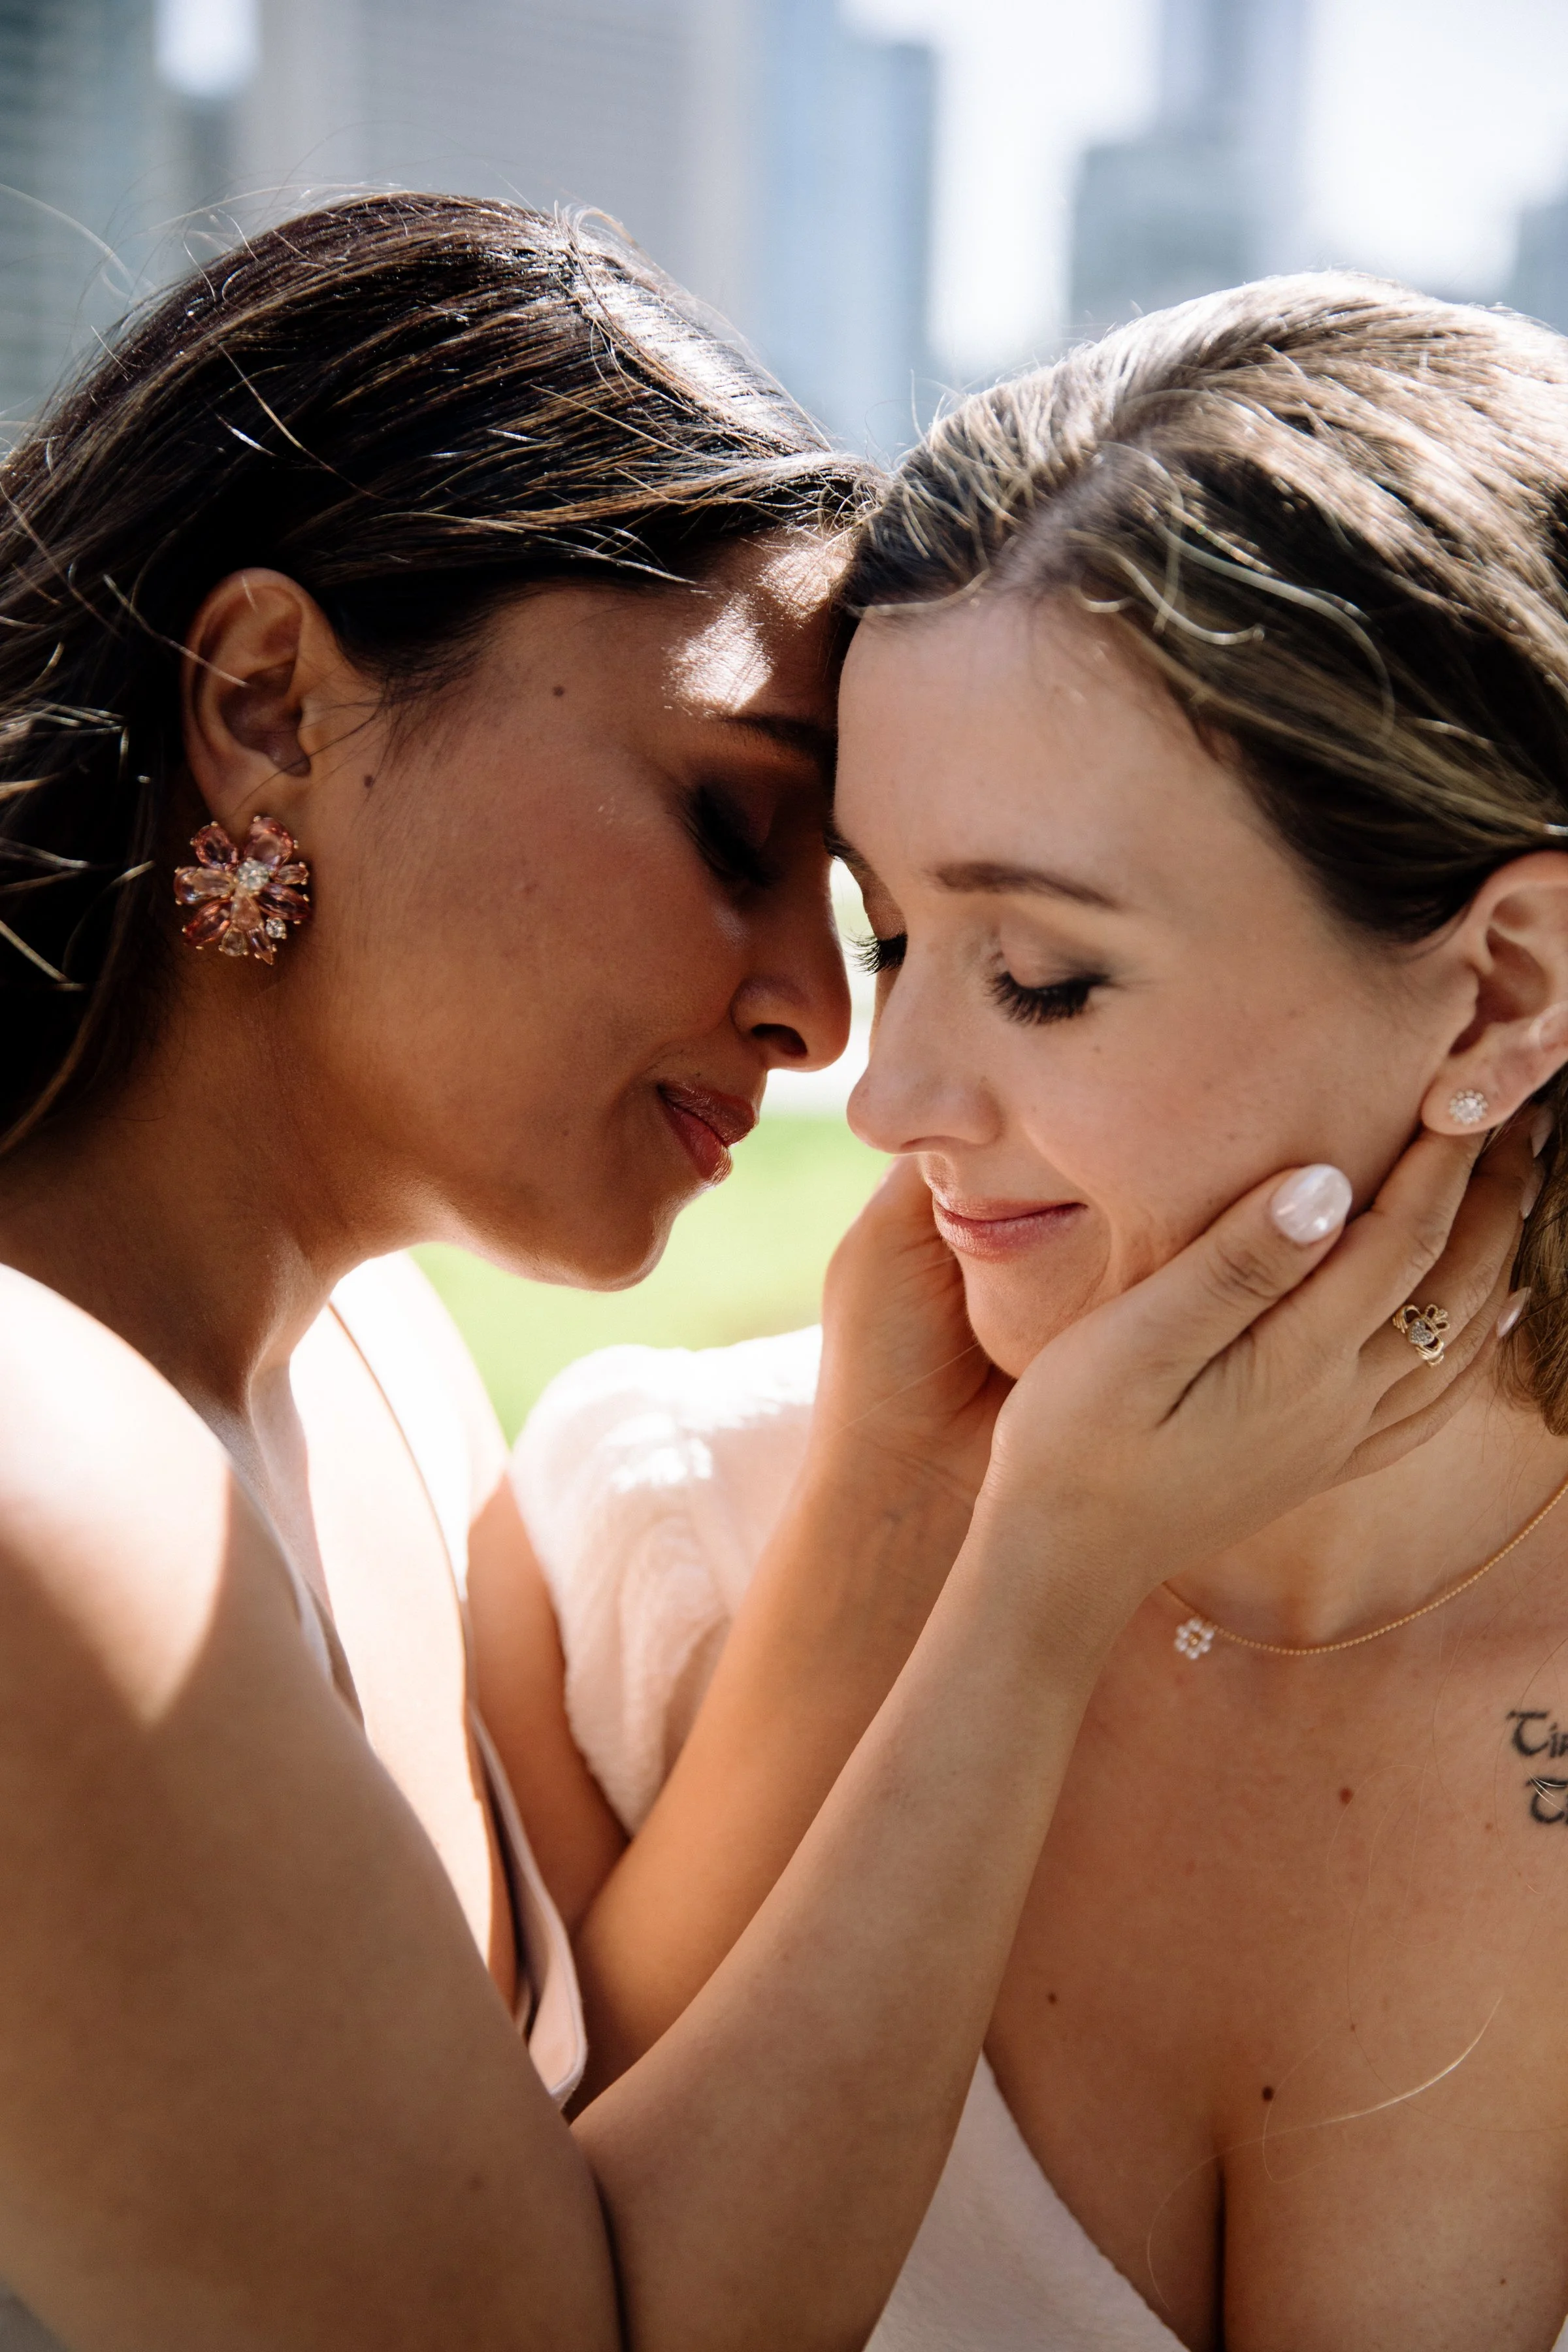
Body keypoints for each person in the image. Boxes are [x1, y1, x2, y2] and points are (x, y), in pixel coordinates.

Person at [0, 201, 1510, 2350]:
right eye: (734, 830)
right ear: (265, 705)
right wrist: (1040, 1579)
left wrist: (911, 1495)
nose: (827, 1024)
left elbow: (582, 2147)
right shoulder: (44, 1473)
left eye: (874, 915)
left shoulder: (384, 1379)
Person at [504, 276, 1568, 2351]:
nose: (884, 1095)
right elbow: (543, 2303)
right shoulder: (664, 1558)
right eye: (892, 934)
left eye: (1047, 975)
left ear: (1507, 988)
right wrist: (963, 1557)